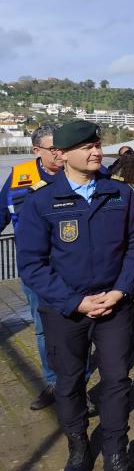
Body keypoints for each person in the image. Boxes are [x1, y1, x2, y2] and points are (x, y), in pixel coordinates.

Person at [16, 120, 134, 471]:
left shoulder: (119, 194)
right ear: (61, 154)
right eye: (87, 147)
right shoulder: (40, 201)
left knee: (117, 380)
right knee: (69, 382)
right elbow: (31, 264)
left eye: (97, 145)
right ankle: (78, 447)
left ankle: (116, 450)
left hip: (114, 306)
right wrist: (75, 302)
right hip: (65, 311)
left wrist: (120, 290)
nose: (96, 152)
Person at [0, 124, 63, 410]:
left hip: (73, 265)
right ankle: (54, 383)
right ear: (37, 150)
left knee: (79, 326)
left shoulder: (78, 172)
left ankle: (77, 385)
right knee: (42, 327)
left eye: (62, 147)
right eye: (53, 148)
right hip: (35, 268)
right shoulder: (18, 176)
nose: (60, 153)